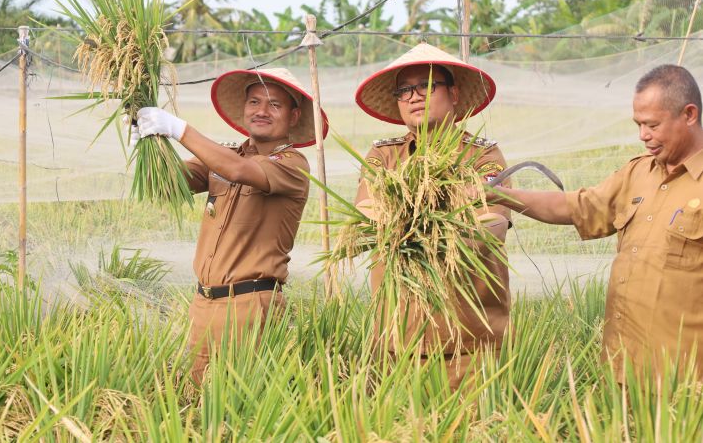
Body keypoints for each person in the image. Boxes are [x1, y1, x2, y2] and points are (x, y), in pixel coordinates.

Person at [492, 64, 703, 380]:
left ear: (689, 115)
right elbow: (577, 206)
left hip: (683, 380)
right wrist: (497, 196)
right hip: (622, 367)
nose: (643, 136)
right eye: (638, 124)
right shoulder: (637, 174)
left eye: (653, 125)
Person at [137, 68, 328, 383]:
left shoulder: (293, 165)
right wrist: (148, 144)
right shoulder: (227, 155)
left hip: (251, 305)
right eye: (254, 102)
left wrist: (177, 128)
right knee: (197, 403)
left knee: (244, 406)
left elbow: (239, 170)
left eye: (274, 105)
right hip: (204, 303)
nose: (261, 111)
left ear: (293, 117)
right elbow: (164, 183)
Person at [353, 43, 511, 388]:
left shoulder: (482, 157)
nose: (413, 97)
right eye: (404, 90)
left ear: (453, 93)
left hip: (468, 343)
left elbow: (492, 224)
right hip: (396, 341)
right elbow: (365, 215)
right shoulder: (384, 155)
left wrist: (411, 223)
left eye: (426, 86)